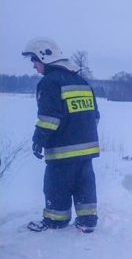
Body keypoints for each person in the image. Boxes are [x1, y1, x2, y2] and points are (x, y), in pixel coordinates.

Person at [22, 37, 100, 233]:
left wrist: (38, 138)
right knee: (84, 184)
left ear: (44, 57)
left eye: (34, 60)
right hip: (87, 149)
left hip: (62, 151)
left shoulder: (49, 83)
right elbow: (95, 116)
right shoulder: (82, 82)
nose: (33, 66)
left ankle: (56, 220)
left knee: (56, 185)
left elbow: (49, 118)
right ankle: (88, 221)